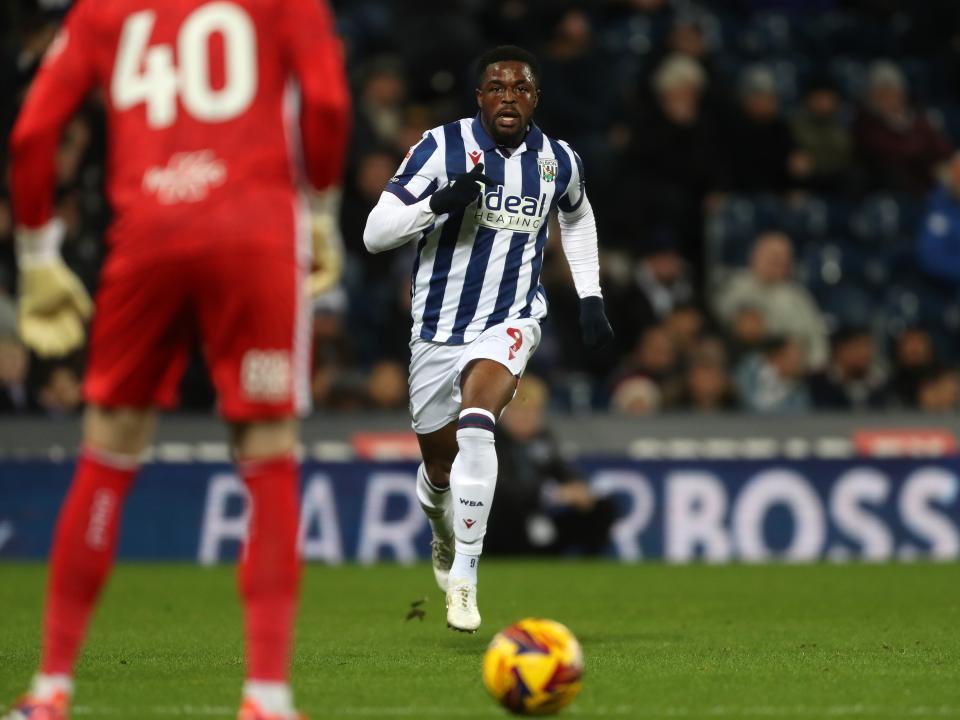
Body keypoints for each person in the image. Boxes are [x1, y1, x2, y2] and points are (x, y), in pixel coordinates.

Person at [4, 0, 350, 718]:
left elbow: (34, 130)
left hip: (147, 236)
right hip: (254, 232)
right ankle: (266, 696)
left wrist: (36, 254)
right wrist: (319, 211)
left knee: (108, 451)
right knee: (267, 449)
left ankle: (50, 689)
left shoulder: (102, 10)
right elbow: (326, 102)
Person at [363, 45, 613, 632]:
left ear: (535, 99)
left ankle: (466, 580)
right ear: (480, 97)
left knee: (479, 423)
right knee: (438, 471)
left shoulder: (559, 160)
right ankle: (442, 532)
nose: (508, 97)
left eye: (520, 88)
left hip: (511, 320)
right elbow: (375, 233)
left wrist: (591, 295)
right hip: (436, 330)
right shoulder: (440, 146)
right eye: (497, 87)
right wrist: (437, 203)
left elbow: (577, 215)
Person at [486, 375, 617, 556]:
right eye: (518, 411)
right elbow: (502, 488)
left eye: (532, 411)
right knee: (503, 510)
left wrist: (577, 487)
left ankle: (590, 561)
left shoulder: (543, 439)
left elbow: (562, 469)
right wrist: (553, 494)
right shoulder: (491, 441)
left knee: (602, 506)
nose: (525, 418)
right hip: (504, 522)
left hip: (539, 514)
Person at [714, 231, 829, 370]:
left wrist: (810, 366)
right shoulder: (736, 286)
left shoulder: (798, 297)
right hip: (738, 361)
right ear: (754, 256)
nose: (777, 263)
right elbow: (721, 325)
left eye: (783, 259)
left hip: (791, 371)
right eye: (772, 257)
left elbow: (817, 343)